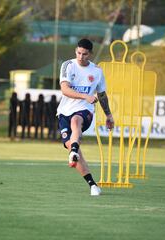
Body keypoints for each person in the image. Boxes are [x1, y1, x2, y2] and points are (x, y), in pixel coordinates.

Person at [57, 38, 114, 196]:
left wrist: (108, 115)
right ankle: (93, 185)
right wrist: (85, 95)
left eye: (85, 54)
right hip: (64, 112)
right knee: (74, 153)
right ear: (76, 51)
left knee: (76, 121)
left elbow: (102, 95)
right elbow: (65, 90)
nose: (81, 56)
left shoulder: (96, 71)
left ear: (90, 54)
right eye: (79, 53)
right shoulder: (68, 65)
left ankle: (74, 149)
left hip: (85, 111)